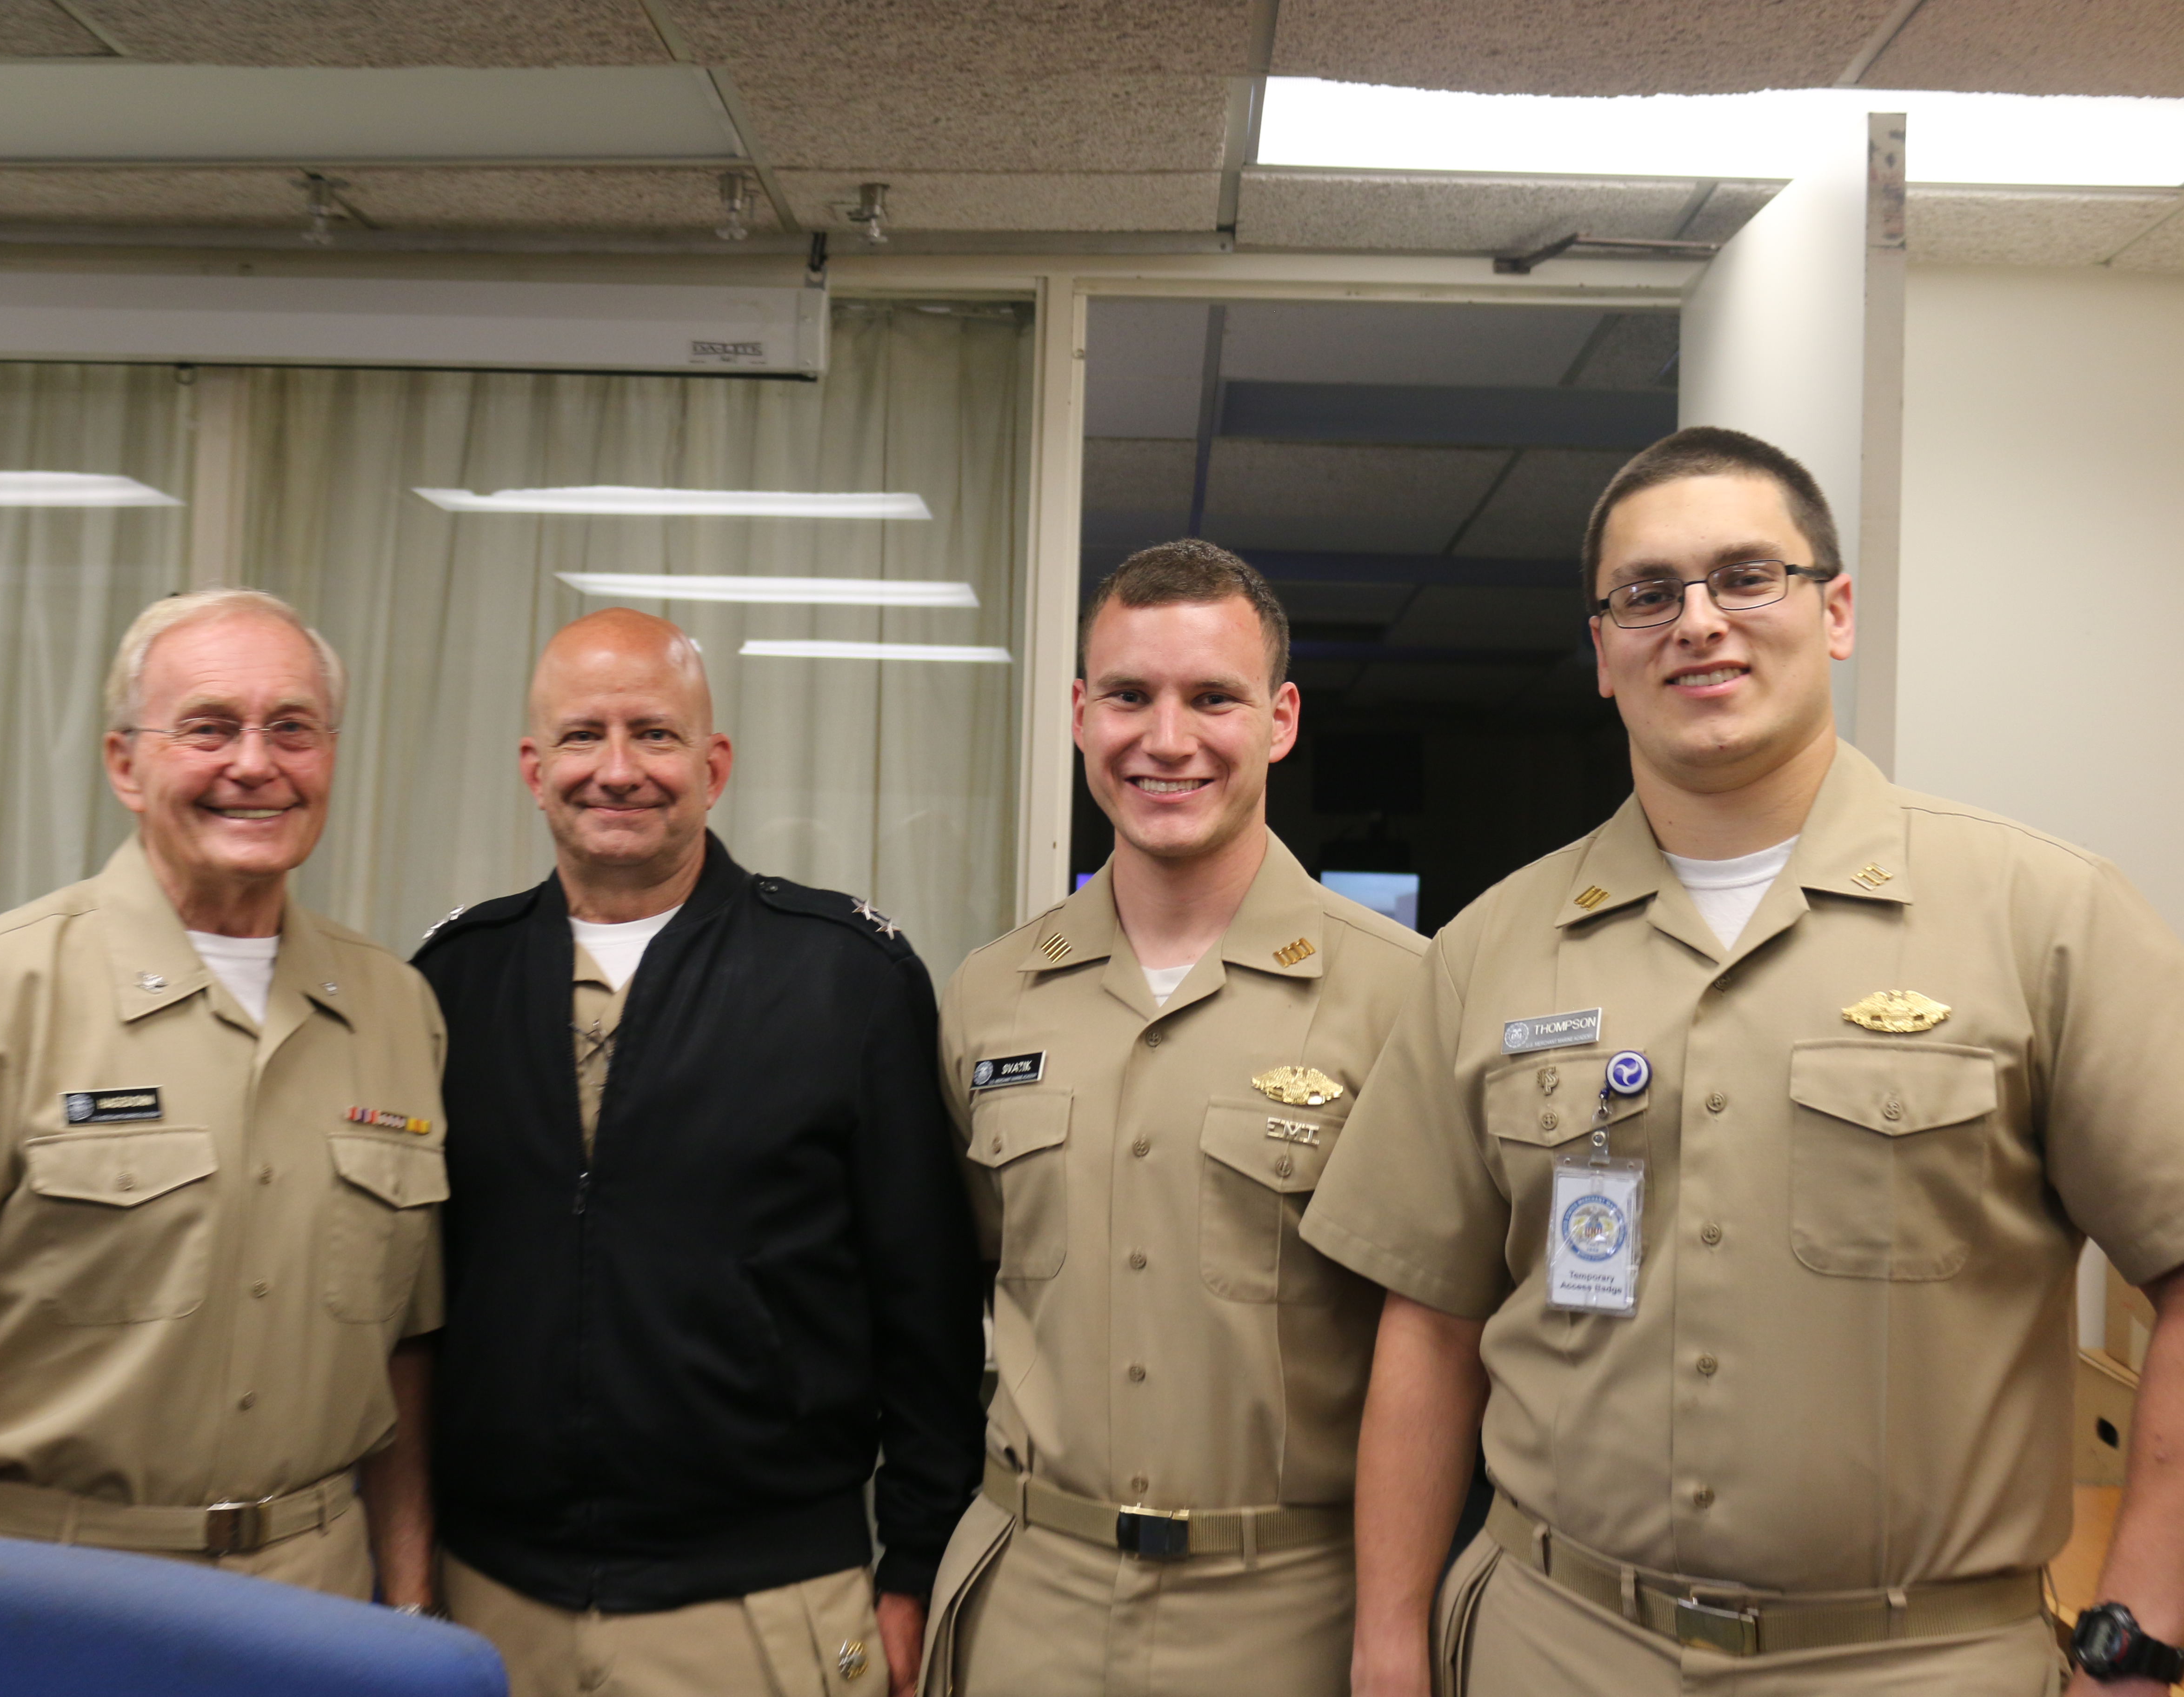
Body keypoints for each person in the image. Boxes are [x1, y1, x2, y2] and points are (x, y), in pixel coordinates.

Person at [1310, 426, 2184, 1696]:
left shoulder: (2046, 915)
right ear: (1604, 652)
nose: (1698, 622)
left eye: (1746, 577)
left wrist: (2141, 1633)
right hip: (1554, 1643)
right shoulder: (1488, 951)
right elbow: (1431, 1325)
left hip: (1917, 1662)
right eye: (1648, 595)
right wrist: (1391, 1645)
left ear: (1833, 611)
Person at [0, 588, 445, 1605]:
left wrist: (410, 1600)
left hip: (320, 1600)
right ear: (126, 763)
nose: (254, 764)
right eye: (209, 727)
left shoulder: (398, 1010)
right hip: (43, 1591)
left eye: (292, 729)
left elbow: (404, 1359)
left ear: (330, 758)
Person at [413, 608, 981, 1697]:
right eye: (582, 737)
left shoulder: (844, 979)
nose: (617, 770)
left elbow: (930, 1309)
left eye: (655, 736)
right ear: (533, 769)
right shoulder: (450, 984)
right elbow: (411, 1305)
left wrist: (916, 1561)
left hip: (766, 1610)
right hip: (491, 1600)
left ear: (713, 766)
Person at [922, 540, 1426, 1697]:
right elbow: (959, 1288)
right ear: (1078, 714)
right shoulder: (990, 995)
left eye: (1213, 698)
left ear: (1282, 719)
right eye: (1129, 696)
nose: (1166, 738)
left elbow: (1442, 1338)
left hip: (1293, 1610)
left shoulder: (1405, 996)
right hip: (1028, 1600)